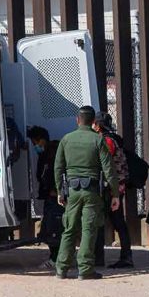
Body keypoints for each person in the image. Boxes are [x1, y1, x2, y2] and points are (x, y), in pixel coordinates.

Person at [54, 106, 120, 280]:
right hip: (91, 191)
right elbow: (109, 169)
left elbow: (58, 167)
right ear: (93, 122)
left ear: (77, 120)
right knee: (88, 229)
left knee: (69, 229)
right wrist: (115, 194)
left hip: (72, 191)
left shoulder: (66, 140)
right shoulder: (98, 140)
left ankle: (61, 268)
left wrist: (60, 191)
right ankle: (85, 269)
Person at [93, 111, 134, 269]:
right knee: (116, 222)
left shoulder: (107, 141)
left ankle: (123, 257)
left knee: (113, 222)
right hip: (113, 186)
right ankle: (122, 256)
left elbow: (103, 163)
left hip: (110, 188)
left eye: (94, 123)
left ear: (98, 125)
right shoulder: (110, 139)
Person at [27, 126, 62, 270]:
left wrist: (56, 190)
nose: (35, 146)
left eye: (35, 142)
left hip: (55, 197)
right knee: (49, 229)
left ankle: (56, 259)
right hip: (51, 196)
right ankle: (57, 257)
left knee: (53, 229)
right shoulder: (47, 153)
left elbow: (55, 174)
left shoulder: (53, 153)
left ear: (42, 140)